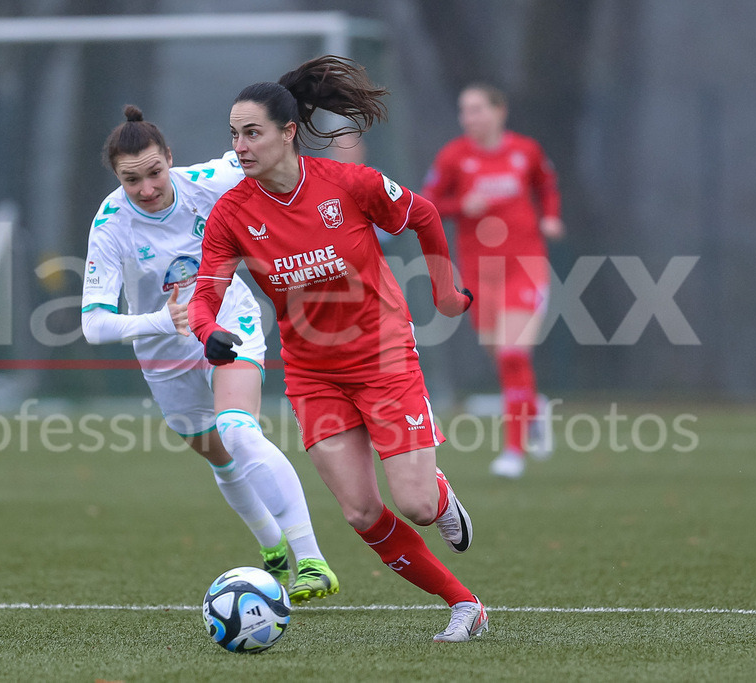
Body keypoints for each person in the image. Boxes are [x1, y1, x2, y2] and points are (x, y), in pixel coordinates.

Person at [188, 56, 488, 643]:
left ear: (287, 132)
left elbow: (423, 215)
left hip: (384, 357)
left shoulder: (348, 184)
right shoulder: (232, 214)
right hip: (312, 373)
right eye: (234, 134)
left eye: (252, 133)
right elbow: (205, 295)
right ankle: (464, 605)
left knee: (418, 507)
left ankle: (439, 493)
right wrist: (208, 332)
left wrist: (447, 294)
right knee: (358, 511)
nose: (240, 146)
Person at [80, 105, 339, 603]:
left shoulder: (211, 180)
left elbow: (276, 161)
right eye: (132, 180)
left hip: (228, 322)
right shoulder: (111, 224)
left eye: (155, 173)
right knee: (218, 457)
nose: (148, 188)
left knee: (238, 430)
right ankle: (272, 547)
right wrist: (162, 321)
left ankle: (312, 561)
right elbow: (93, 324)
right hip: (162, 353)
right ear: (117, 178)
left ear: (170, 159)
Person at [422, 83, 564, 479]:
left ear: (500, 111)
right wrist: (458, 206)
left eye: (478, 109)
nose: (470, 118)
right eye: (464, 110)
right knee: (502, 358)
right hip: (480, 274)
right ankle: (534, 409)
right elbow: (427, 201)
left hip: (526, 265)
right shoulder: (454, 157)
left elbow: (545, 184)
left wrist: (550, 216)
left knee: (513, 354)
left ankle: (514, 452)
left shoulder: (525, 150)